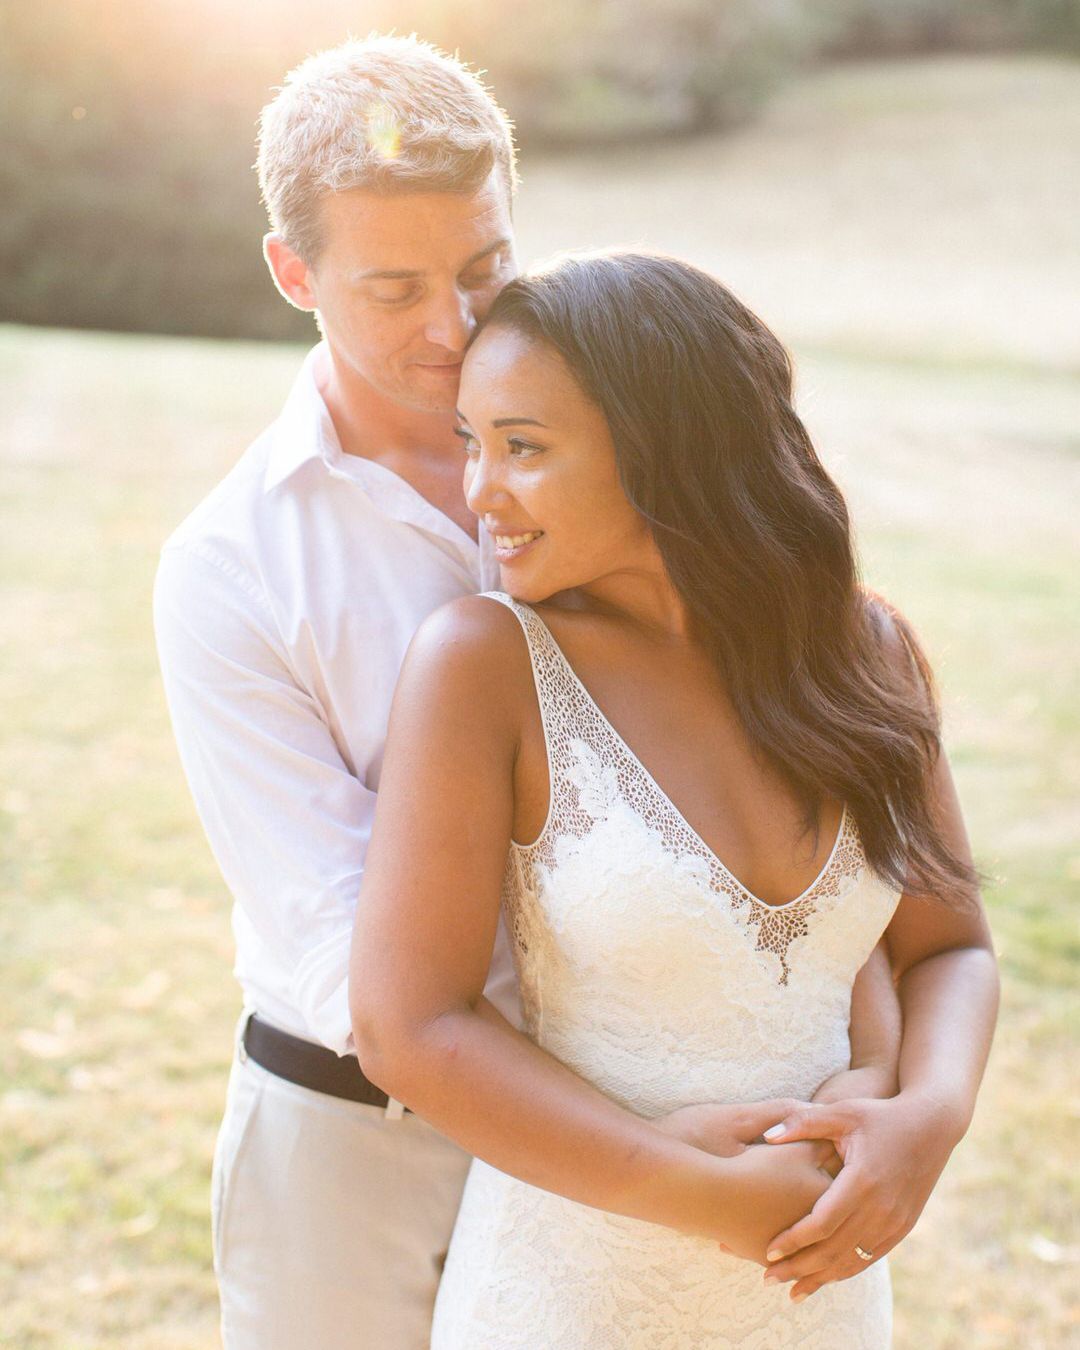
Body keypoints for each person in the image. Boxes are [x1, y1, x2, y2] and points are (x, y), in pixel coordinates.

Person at [349, 252, 1000, 1346]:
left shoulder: (867, 653)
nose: (481, 491)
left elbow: (950, 950)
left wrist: (926, 1118)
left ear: (666, 451)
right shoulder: (486, 663)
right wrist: (697, 1193)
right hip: (574, 1293)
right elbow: (406, 1027)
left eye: (523, 448)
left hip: (821, 1300)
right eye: (474, 443)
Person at [153, 35, 522, 1349]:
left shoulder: (623, 458)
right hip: (352, 1144)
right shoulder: (230, 564)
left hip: (633, 1095)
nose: (456, 327)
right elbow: (337, 954)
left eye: (485, 269)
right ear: (292, 273)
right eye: (395, 289)